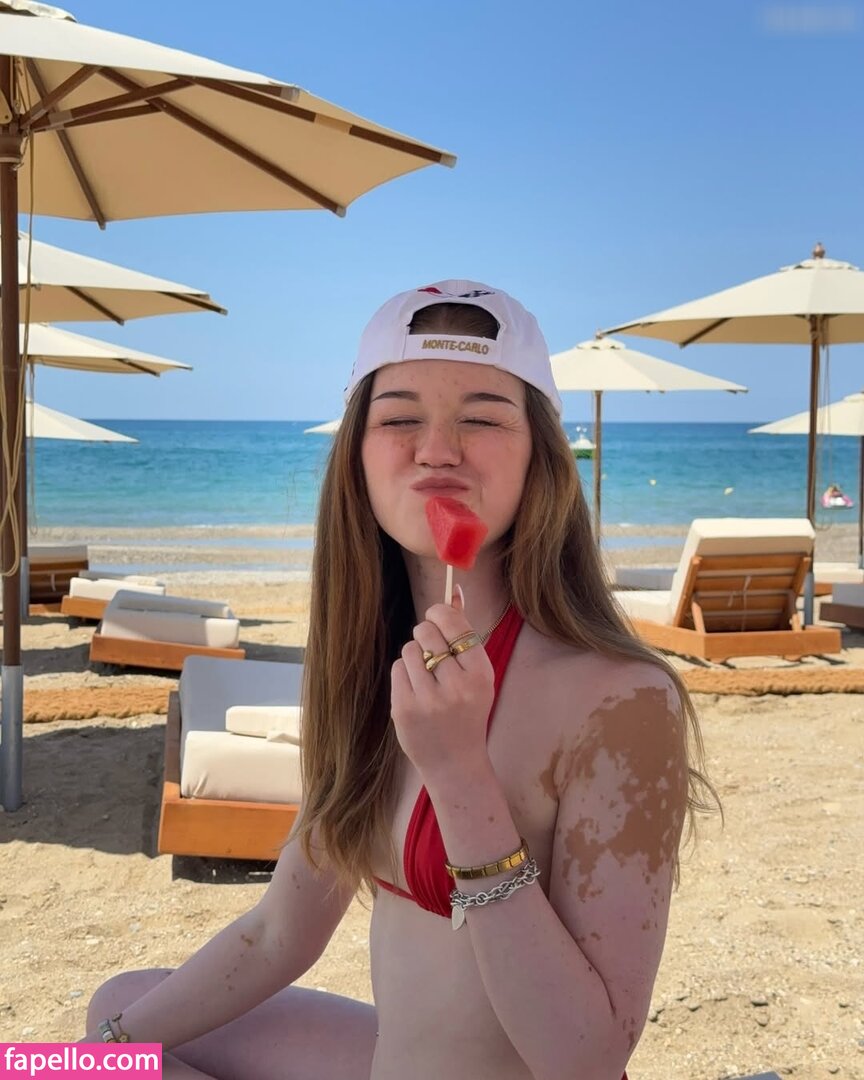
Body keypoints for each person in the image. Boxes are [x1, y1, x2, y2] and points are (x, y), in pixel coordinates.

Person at [86, 280, 718, 1080]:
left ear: (540, 458)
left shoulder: (621, 699)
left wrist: (461, 776)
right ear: (357, 456)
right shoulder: (371, 669)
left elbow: (584, 1058)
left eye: (483, 418)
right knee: (117, 1019)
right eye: (399, 418)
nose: (438, 449)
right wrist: (90, 1056)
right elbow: (281, 930)